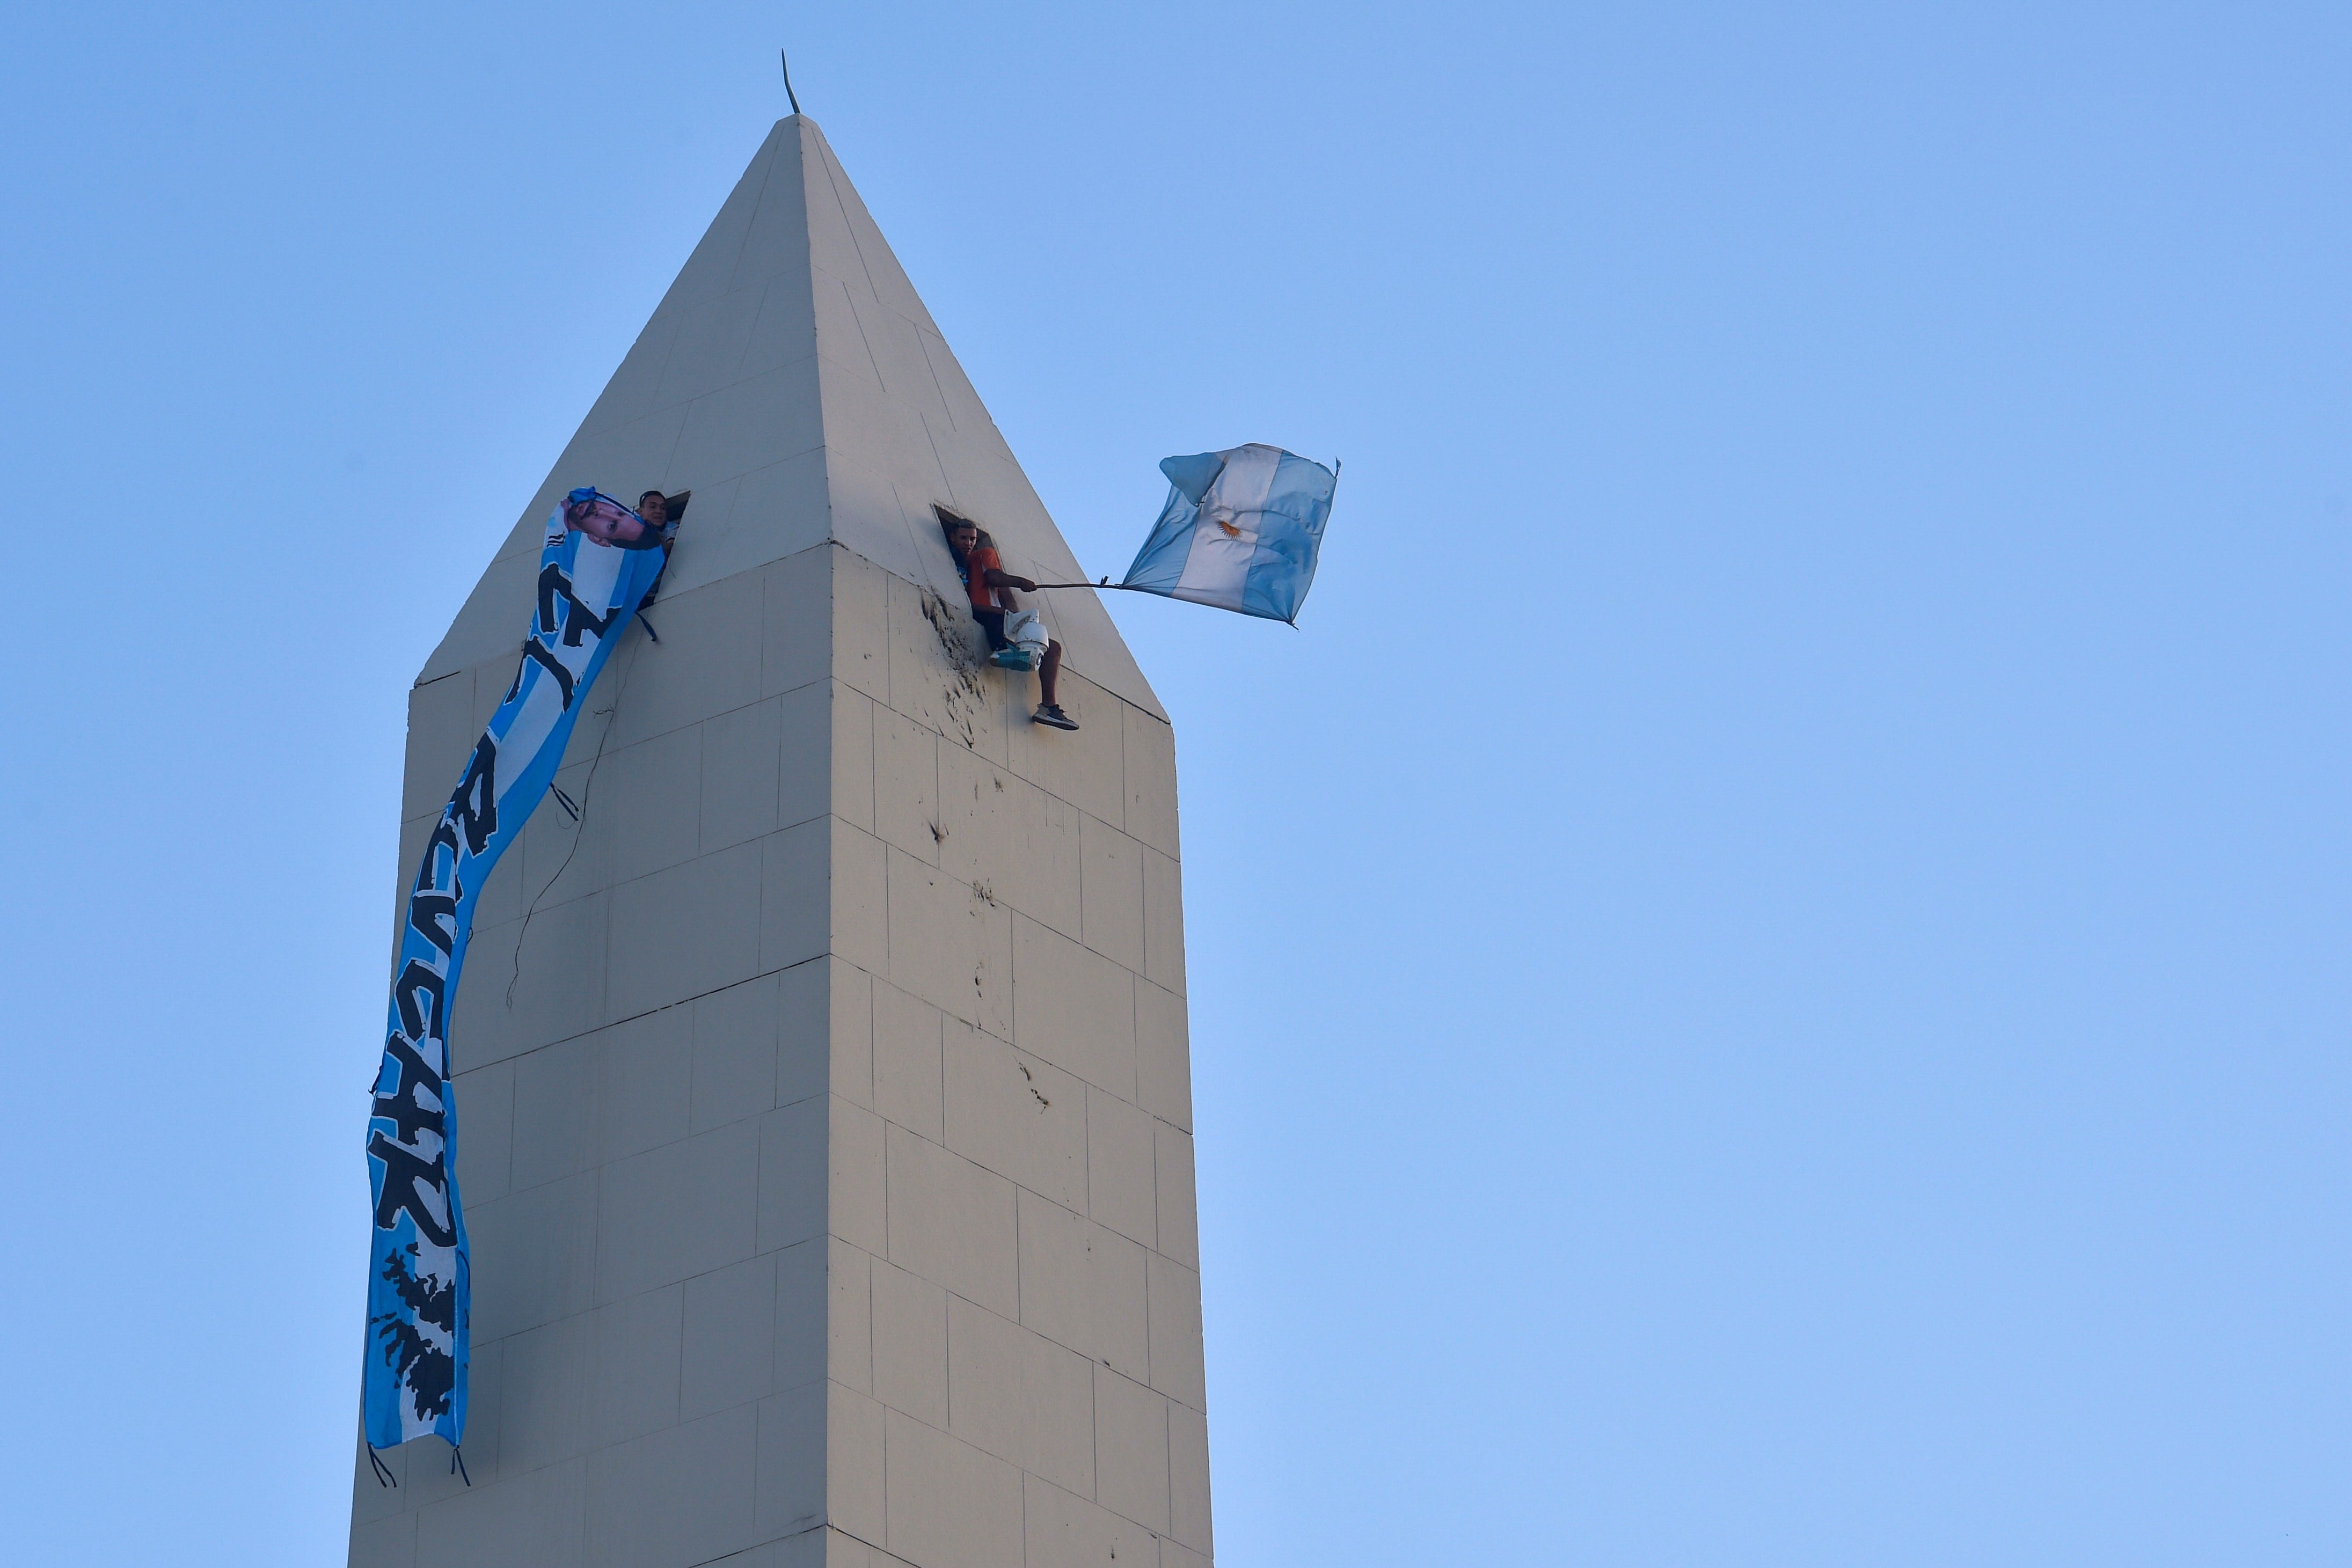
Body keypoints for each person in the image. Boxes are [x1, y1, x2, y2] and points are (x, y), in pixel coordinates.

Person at [941, 512, 1077, 730]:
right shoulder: (985, 554)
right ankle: (1004, 650)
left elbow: (1001, 590)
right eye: (964, 538)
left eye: (972, 540)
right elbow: (994, 577)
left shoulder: (965, 565)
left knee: (1052, 648)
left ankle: (1048, 707)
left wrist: (1018, 617)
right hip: (988, 614)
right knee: (1017, 628)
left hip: (990, 614)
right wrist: (1021, 581)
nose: (969, 544)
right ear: (953, 538)